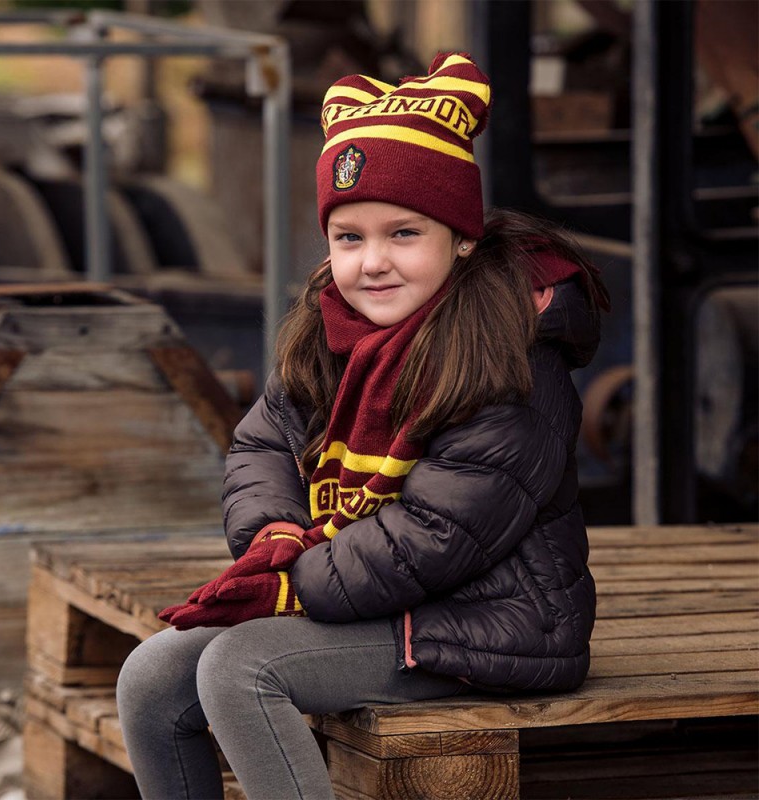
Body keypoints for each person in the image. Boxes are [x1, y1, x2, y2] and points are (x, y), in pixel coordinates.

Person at [116, 52, 609, 800]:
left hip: (486, 621)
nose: (373, 263)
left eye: (403, 233)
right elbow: (263, 444)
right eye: (349, 238)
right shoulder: (330, 330)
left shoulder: (513, 353)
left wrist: (291, 585)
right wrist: (274, 537)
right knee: (152, 675)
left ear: (461, 238)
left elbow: (442, 536)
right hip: (361, 589)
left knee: (242, 668)